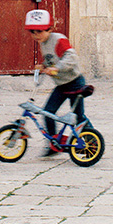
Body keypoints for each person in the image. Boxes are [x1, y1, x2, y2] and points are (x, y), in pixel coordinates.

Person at [24, 8, 87, 156]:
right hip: (61, 85)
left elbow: (71, 58)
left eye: (39, 31)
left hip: (75, 82)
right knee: (48, 112)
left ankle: (91, 143)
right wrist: (44, 66)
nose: (35, 35)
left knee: (78, 117)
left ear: (50, 29)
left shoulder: (58, 40)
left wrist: (56, 69)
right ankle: (54, 143)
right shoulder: (43, 43)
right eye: (32, 32)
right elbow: (51, 59)